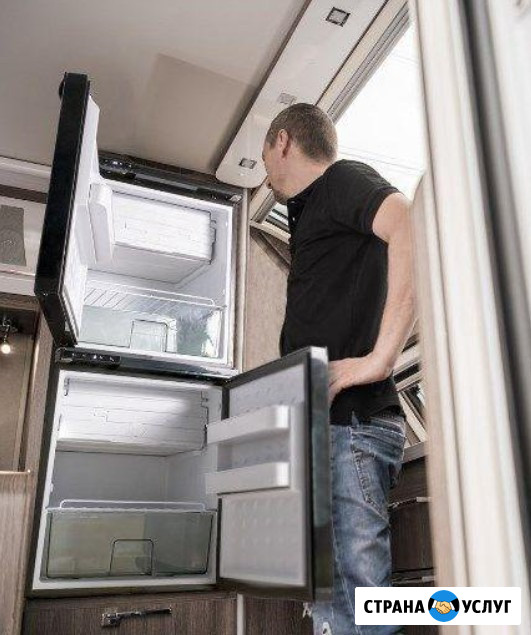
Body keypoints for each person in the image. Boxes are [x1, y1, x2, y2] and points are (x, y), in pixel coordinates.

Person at [261, 103, 416, 635]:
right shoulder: (312, 215)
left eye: (264, 155)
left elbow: (409, 225)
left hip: (351, 427)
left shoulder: (342, 179)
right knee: (333, 606)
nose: (266, 170)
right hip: (330, 431)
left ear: (283, 141)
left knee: (359, 604)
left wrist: (382, 358)